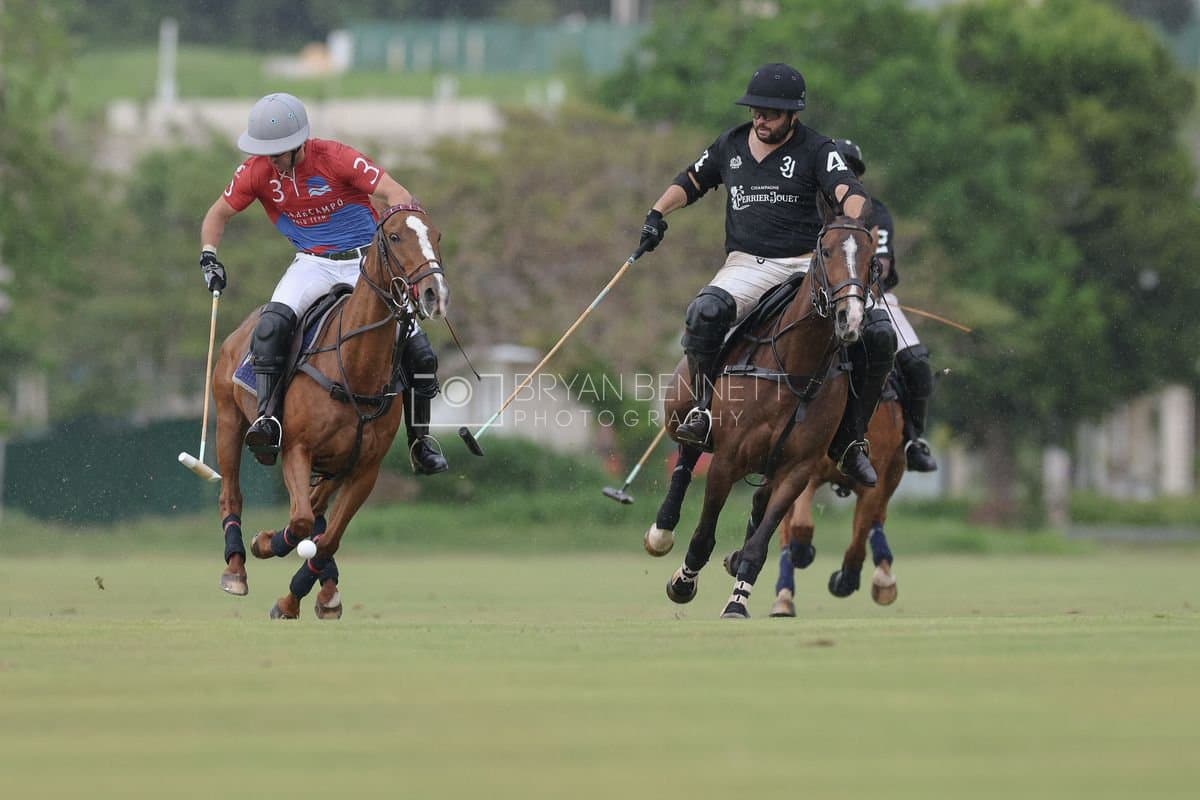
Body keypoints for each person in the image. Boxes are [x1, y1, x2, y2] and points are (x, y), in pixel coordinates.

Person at [637, 63, 896, 486]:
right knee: (704, 312)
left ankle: (849, 439)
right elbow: (692, 179)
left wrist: (852, 228)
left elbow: (850, 192)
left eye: (770, 113)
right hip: (746, 264)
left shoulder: (816, 148)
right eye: (756, 110)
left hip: (803, 267)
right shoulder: (731, 144)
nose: (760, 119)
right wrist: (656, 214)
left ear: (793, 115)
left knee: (881, 336)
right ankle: (703, 411)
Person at [198, 92, 447, 474]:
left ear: (299, 144)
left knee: (420, 351)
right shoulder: (255, 172)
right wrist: (209, 256)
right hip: (313, 264)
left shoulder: (336, 157)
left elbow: (396, 193)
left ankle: (421, 442)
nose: (271, 161)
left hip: (367, 263)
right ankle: (268, 421)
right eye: (265, 152)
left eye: (278, 153)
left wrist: (403, 237)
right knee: (271, 325)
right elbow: (218, 214)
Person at [835, 138, 937, 472]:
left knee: (917, 363)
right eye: (839, 168)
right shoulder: (811, 207)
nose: (845, 175)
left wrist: (861, 297)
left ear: (859, 177)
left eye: (851, 170)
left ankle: (912, 439)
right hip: (820, 299)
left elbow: (883, 264)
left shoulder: (875, 212)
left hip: (873, 297)